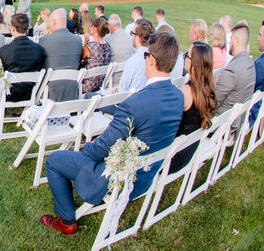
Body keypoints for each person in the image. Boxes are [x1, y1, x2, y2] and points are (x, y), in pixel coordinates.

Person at [41, 31, 184, 236]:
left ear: (151, 59)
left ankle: (67, 221)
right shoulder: (178, 97)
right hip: (148, 174)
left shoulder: (135, 104)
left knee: (54, 161)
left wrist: (87, 146)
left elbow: (101, 148)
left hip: (121, 177)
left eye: (145, 56)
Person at [0, 13, 45, 114]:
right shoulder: (39, 49)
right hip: (31, 92)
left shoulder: (4, 50)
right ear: (27, 28)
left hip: (8, 93)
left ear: (13, 29)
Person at [170, 41, 217, 173]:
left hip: (173, 157)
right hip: (188, 150)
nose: (185, 57)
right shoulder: (208, 90)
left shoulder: (185, 93)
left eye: (187, 55)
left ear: (194, 65)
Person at [39, 8, 84, 101]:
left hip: (50, 91)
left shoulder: (44, 40)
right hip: (72, 90)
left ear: (53, 23)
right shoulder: (78, 40)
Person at [214, 23, 255, 116]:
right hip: (238, 119)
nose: (229, 43)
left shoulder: (231, 70)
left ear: (236, 41)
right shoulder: (250, 63)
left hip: (222, 124)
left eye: (231, 39)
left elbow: (213, 104)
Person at [117, 18, 154, 92]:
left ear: (138, 38)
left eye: (132, 34)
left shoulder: (133, 61)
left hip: (132, 99)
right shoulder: (156, 56)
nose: (132, 36)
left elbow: (121, 91)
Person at [80, 17, 112, 93]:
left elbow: (78, 58)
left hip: (87, 85)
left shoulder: (90, 47)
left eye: (92, 26)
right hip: (100, 84)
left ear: (95, 29)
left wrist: (85, 43)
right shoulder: (108, 46)